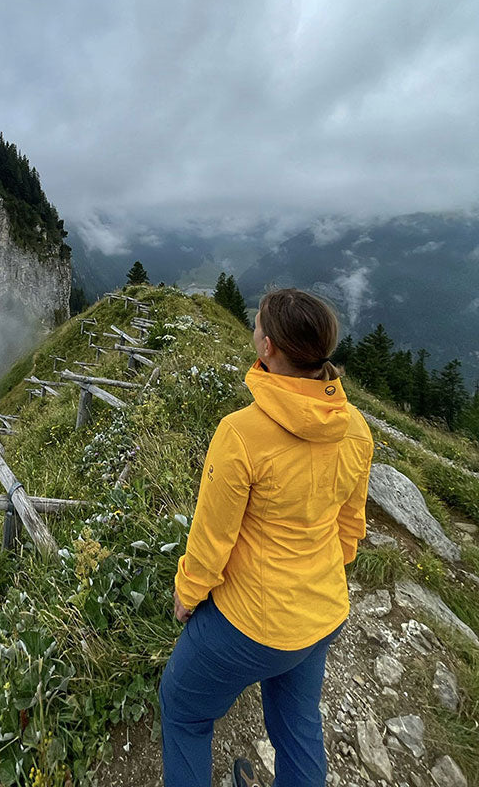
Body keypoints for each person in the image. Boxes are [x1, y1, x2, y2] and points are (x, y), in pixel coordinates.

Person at [159, 288, 373, 787]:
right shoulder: (356, 429)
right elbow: (349, 528)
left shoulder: (241, 433)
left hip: (251, 622)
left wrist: (187, 595)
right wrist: (320, 577)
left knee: (183, 709)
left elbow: (212, 539)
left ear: (268, 347)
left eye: (256, 324)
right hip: (322, 612)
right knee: (298, 728)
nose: (253, 330)